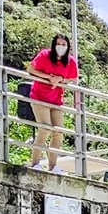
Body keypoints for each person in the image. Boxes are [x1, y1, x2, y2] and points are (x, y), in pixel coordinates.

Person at [27, 34, 79, 171]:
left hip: (56, 99)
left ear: (68, 47)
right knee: (45, 128)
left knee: (58, 132)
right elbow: (31, 69)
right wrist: (49, 77)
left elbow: (72, 77)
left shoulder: (70, 62)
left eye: (64, 44)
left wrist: (60, 78)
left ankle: (53, 166)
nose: (60, 47)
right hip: (39, 96)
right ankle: (35, 163)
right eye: (58, 44)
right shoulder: (44, 55)